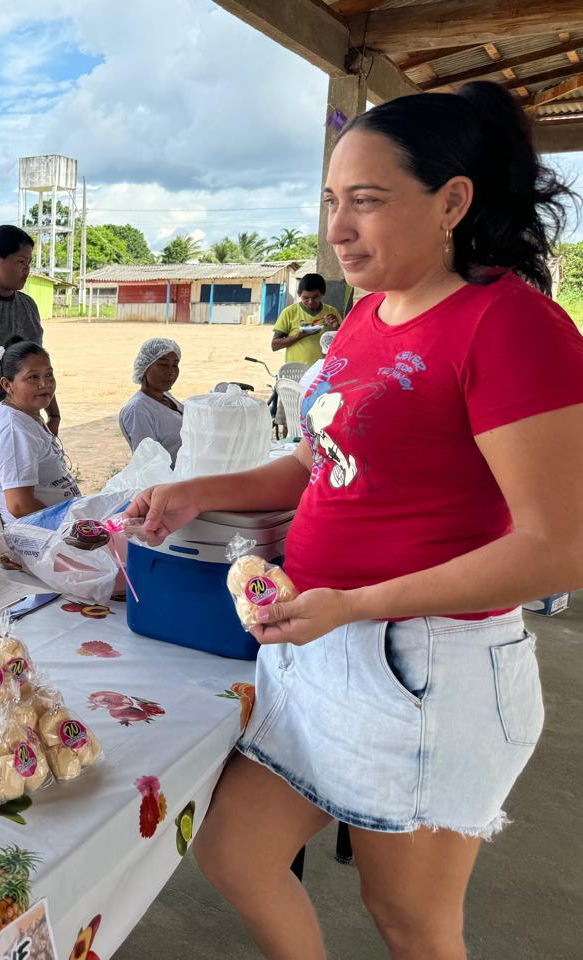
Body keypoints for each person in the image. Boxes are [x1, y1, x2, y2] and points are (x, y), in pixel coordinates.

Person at [126, 81, 583, 960]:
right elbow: (316, 462)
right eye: (334, 200)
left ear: (453, 200)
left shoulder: (509, 326)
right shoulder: (366, 318)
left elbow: (557, 546)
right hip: (317, 645)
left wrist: (357, 602)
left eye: (366, 202)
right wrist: (202, 490)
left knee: (410, 922)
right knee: (235, 853)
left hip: (423, 668)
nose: (338, 228)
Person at [0, 225, 62, 504]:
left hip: (28, 414)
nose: (26, 269)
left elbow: (39, 365)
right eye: (20, 262)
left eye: (29, 262)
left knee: (34, 495)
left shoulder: (28, 305)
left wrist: (53, 414)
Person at [0, 337, 80, 526]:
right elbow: (20, 506)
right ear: (7, 385)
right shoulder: (13, 431)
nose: (44, 384)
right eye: (33, 377)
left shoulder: (26, 415)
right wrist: (74, 528)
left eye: (49, 375)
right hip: (40, 536)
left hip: (57, 526)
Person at [118, 338, 183, 461]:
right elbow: (148, 462)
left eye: (175, 365)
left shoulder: (166, 397)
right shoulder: (139, 410)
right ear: (145, 367)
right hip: (167, 479)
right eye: (163, 365)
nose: (171, 371)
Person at [271, 273, 342, 367]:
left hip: (323, 369)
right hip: (297, 370)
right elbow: (275, 345)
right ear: (299, 294)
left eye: (315, 297)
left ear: (323, 293)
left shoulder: (332, 312)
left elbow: (345, 341)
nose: (310, 302)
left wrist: (336, 326)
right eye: (305, 298)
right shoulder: (289, 312)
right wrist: (298, 336)